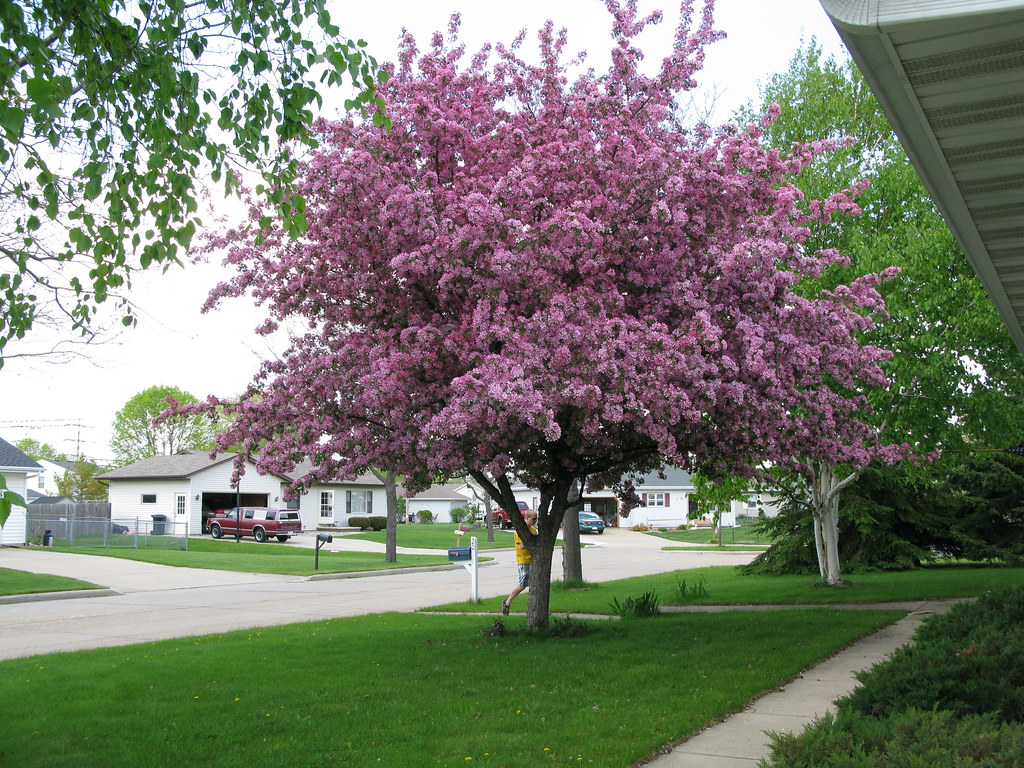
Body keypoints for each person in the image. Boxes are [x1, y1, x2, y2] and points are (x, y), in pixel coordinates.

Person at [502, 509, 539, 614]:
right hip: (523, 560)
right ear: (527, 518)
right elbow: (522, 546)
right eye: (533, 519)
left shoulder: (533, 530)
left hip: (533, 560)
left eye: (536, 519)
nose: (535, 521)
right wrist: (532, 540)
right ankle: (507, 602)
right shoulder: (519, 531)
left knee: (534, 583)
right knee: (522, 585)